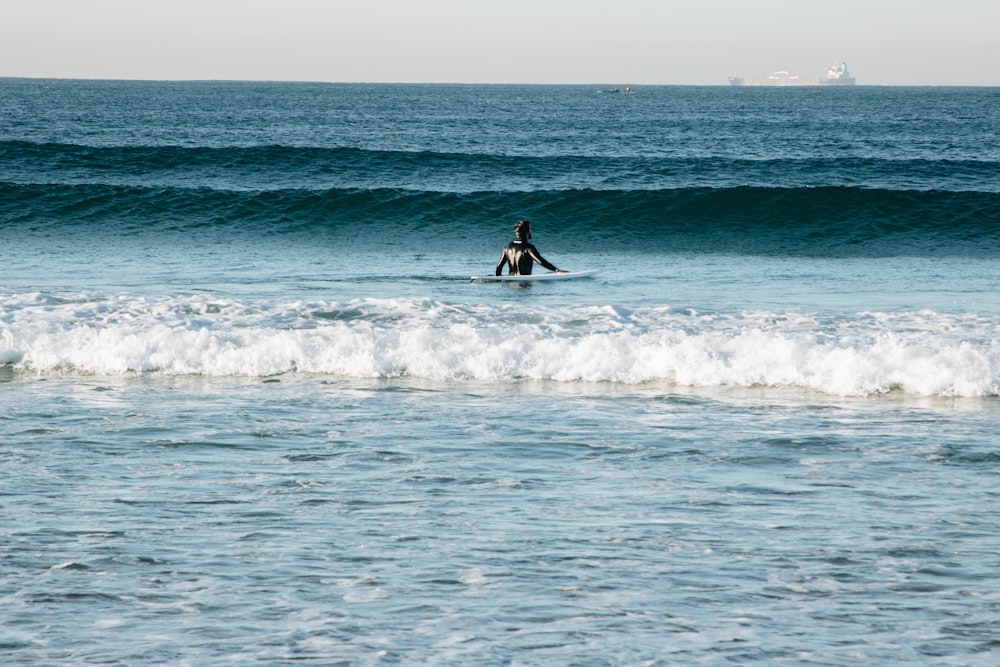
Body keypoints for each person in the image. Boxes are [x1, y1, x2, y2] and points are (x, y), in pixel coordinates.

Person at [495, 219, 566, 276]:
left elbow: (499, 267)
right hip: (524, 284)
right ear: (527, 232)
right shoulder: (528, 248)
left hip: (511, 284)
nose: (531, 231)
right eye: (530, 229)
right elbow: (541, 261)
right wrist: (557, 270)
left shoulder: (507, 248)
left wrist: (498, 279)